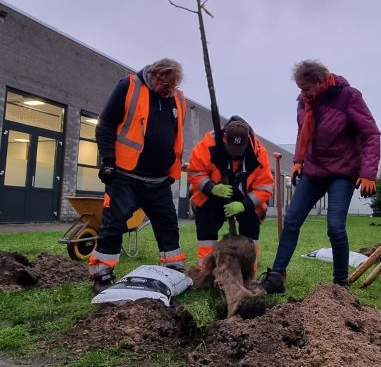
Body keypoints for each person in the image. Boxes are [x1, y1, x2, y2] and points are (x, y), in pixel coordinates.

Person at [260, 60, 380, 293]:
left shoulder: (348, 97)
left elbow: (371, 134)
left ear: (321, 81)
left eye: (306, 88)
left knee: (335, 227)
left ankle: (340, 284)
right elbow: (301, 132)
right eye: (299, 88)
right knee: (292, 220)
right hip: (314, 170)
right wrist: (297, 161)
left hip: (342, 171)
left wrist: (368, 173)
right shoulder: (304, 103)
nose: (302, 93)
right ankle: (276, 276)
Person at [90, 58, 187, 292]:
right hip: (125, 176)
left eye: (174, 87)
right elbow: (105, 126)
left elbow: (175, 135)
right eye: (167, 85)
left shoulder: (178, 99)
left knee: (168, 226)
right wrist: (108, 162)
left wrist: (171, 171)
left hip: (160, 179)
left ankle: (173, 270)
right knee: (113, 224)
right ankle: (102, 273)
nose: (169, 91)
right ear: (155, 75)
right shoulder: (129, 86)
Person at [187, 116, 275, 271]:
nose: (235, 156)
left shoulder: (259, 153)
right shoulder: (207, 145)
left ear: (247, 142)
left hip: (244, 196)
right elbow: (195, 173)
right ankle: (206, 270)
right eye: (232, 152)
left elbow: (265, 188)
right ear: (225, 140)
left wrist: (243, 205)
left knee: (251, 224)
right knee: (206, 222)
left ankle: (247, 271)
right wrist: (210, 187)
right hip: (213, 193)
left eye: (239, 152)